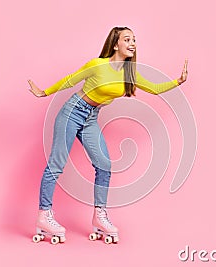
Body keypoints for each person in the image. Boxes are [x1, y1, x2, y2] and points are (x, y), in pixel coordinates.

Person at [28, 26, 188, 244]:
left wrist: (177, 81)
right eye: (127, 39)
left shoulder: (129, 73)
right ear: (115, 44)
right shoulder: (97, 65)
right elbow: (71, 79)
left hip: (91, 118)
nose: (132, 43)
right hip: (73, 111)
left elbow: (153, 88)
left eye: (134, 40)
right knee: (56, 165)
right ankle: (44, 215)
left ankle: (99, 215)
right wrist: (44, 92)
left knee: (104, 165)